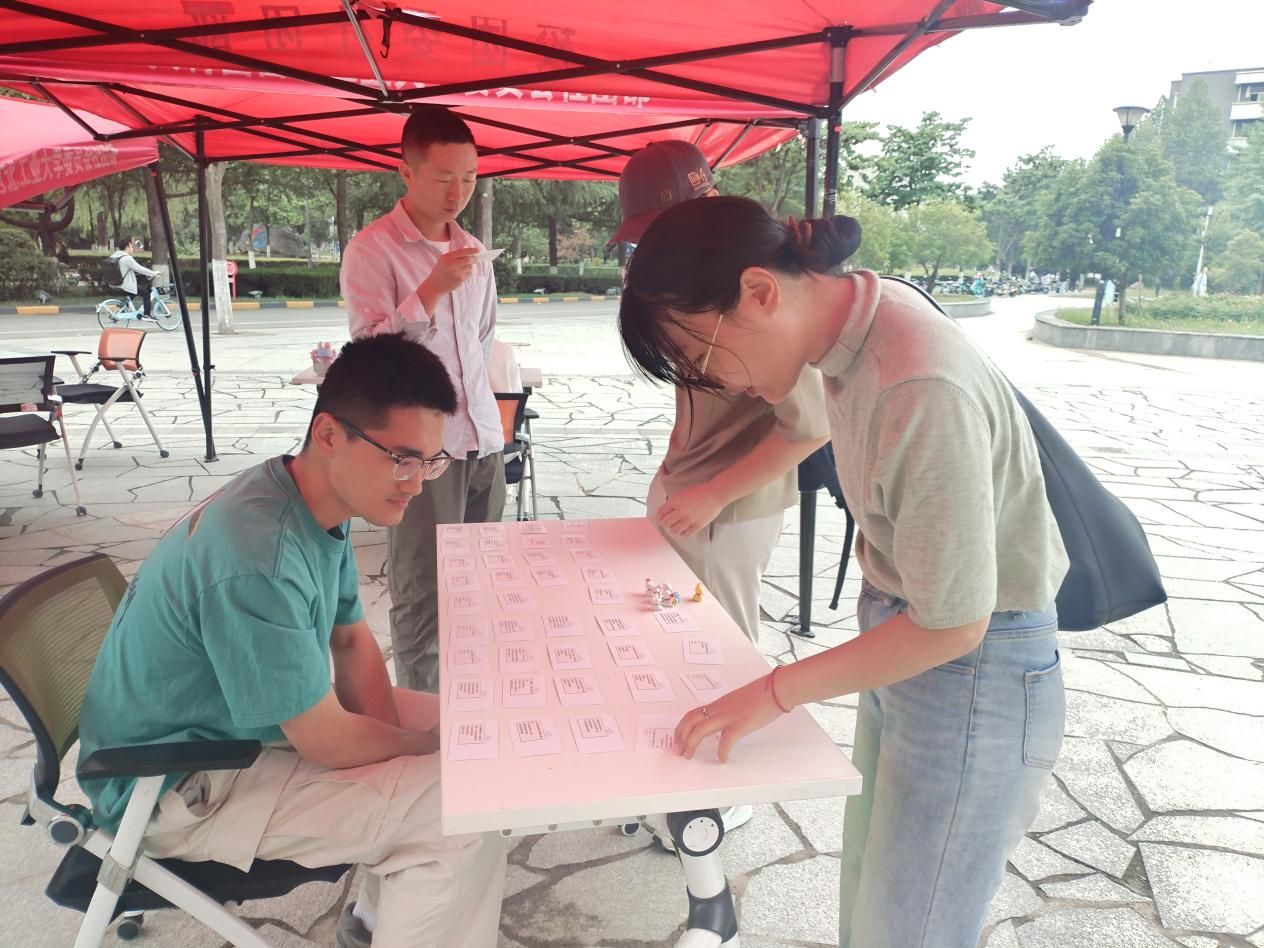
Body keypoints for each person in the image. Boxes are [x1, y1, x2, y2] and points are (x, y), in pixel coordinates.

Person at [617, 196, 1069, 948]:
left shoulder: (915, 382)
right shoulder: (849, 333)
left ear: (759, 291)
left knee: (909, 930)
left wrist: (772, 691)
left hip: (974, 670)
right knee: (871, 904)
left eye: (701, 355)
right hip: (912, 638)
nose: (713, 382)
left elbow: (955, 622)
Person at [77, 334, 507, 948]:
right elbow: (327, 740)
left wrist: (408, 751)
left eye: (430, 462)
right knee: (460, 816)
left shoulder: (309, 499)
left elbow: (351, 639)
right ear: (329, 433)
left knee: (473, 739)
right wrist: (419, 750)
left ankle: (374, 925)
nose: (415, 484)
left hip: (227, 734)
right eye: (401, 459)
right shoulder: (258, 555)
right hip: (172, 786)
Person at [611, 141, 829, 844]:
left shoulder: (756, 291)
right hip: (690, 491)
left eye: (654, 229)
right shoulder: (692, 281)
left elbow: (810, 425)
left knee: (727, 644)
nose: (648, 250)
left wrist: (714, 493)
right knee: (675, 635)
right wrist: (677, 467)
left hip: (731, 504)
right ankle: (677, 767)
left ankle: (725, 793)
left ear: (698, 207)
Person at [341, 105, 506, 692]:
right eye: (443, 178)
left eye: (469, 177)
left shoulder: (474, 250)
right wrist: (430, 291)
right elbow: (368, 352)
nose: (458, 192)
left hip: (482, 440)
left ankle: (471, 698)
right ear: (407, 173)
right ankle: (420, 713)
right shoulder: (373, 249)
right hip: (420, 451)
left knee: (480, 585)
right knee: (423, 592)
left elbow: (481, 341)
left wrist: (488, 425)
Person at [108, 235, 158, 316]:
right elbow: (139, 269)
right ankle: (147, 315)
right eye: (131, 247)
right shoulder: (127, 259)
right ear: (127, 247)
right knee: (146, 293)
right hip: (124, 285)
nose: (132, 249)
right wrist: (153, 273)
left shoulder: (114, 256)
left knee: (134, 291)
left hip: (114, 284)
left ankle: (123, 309)